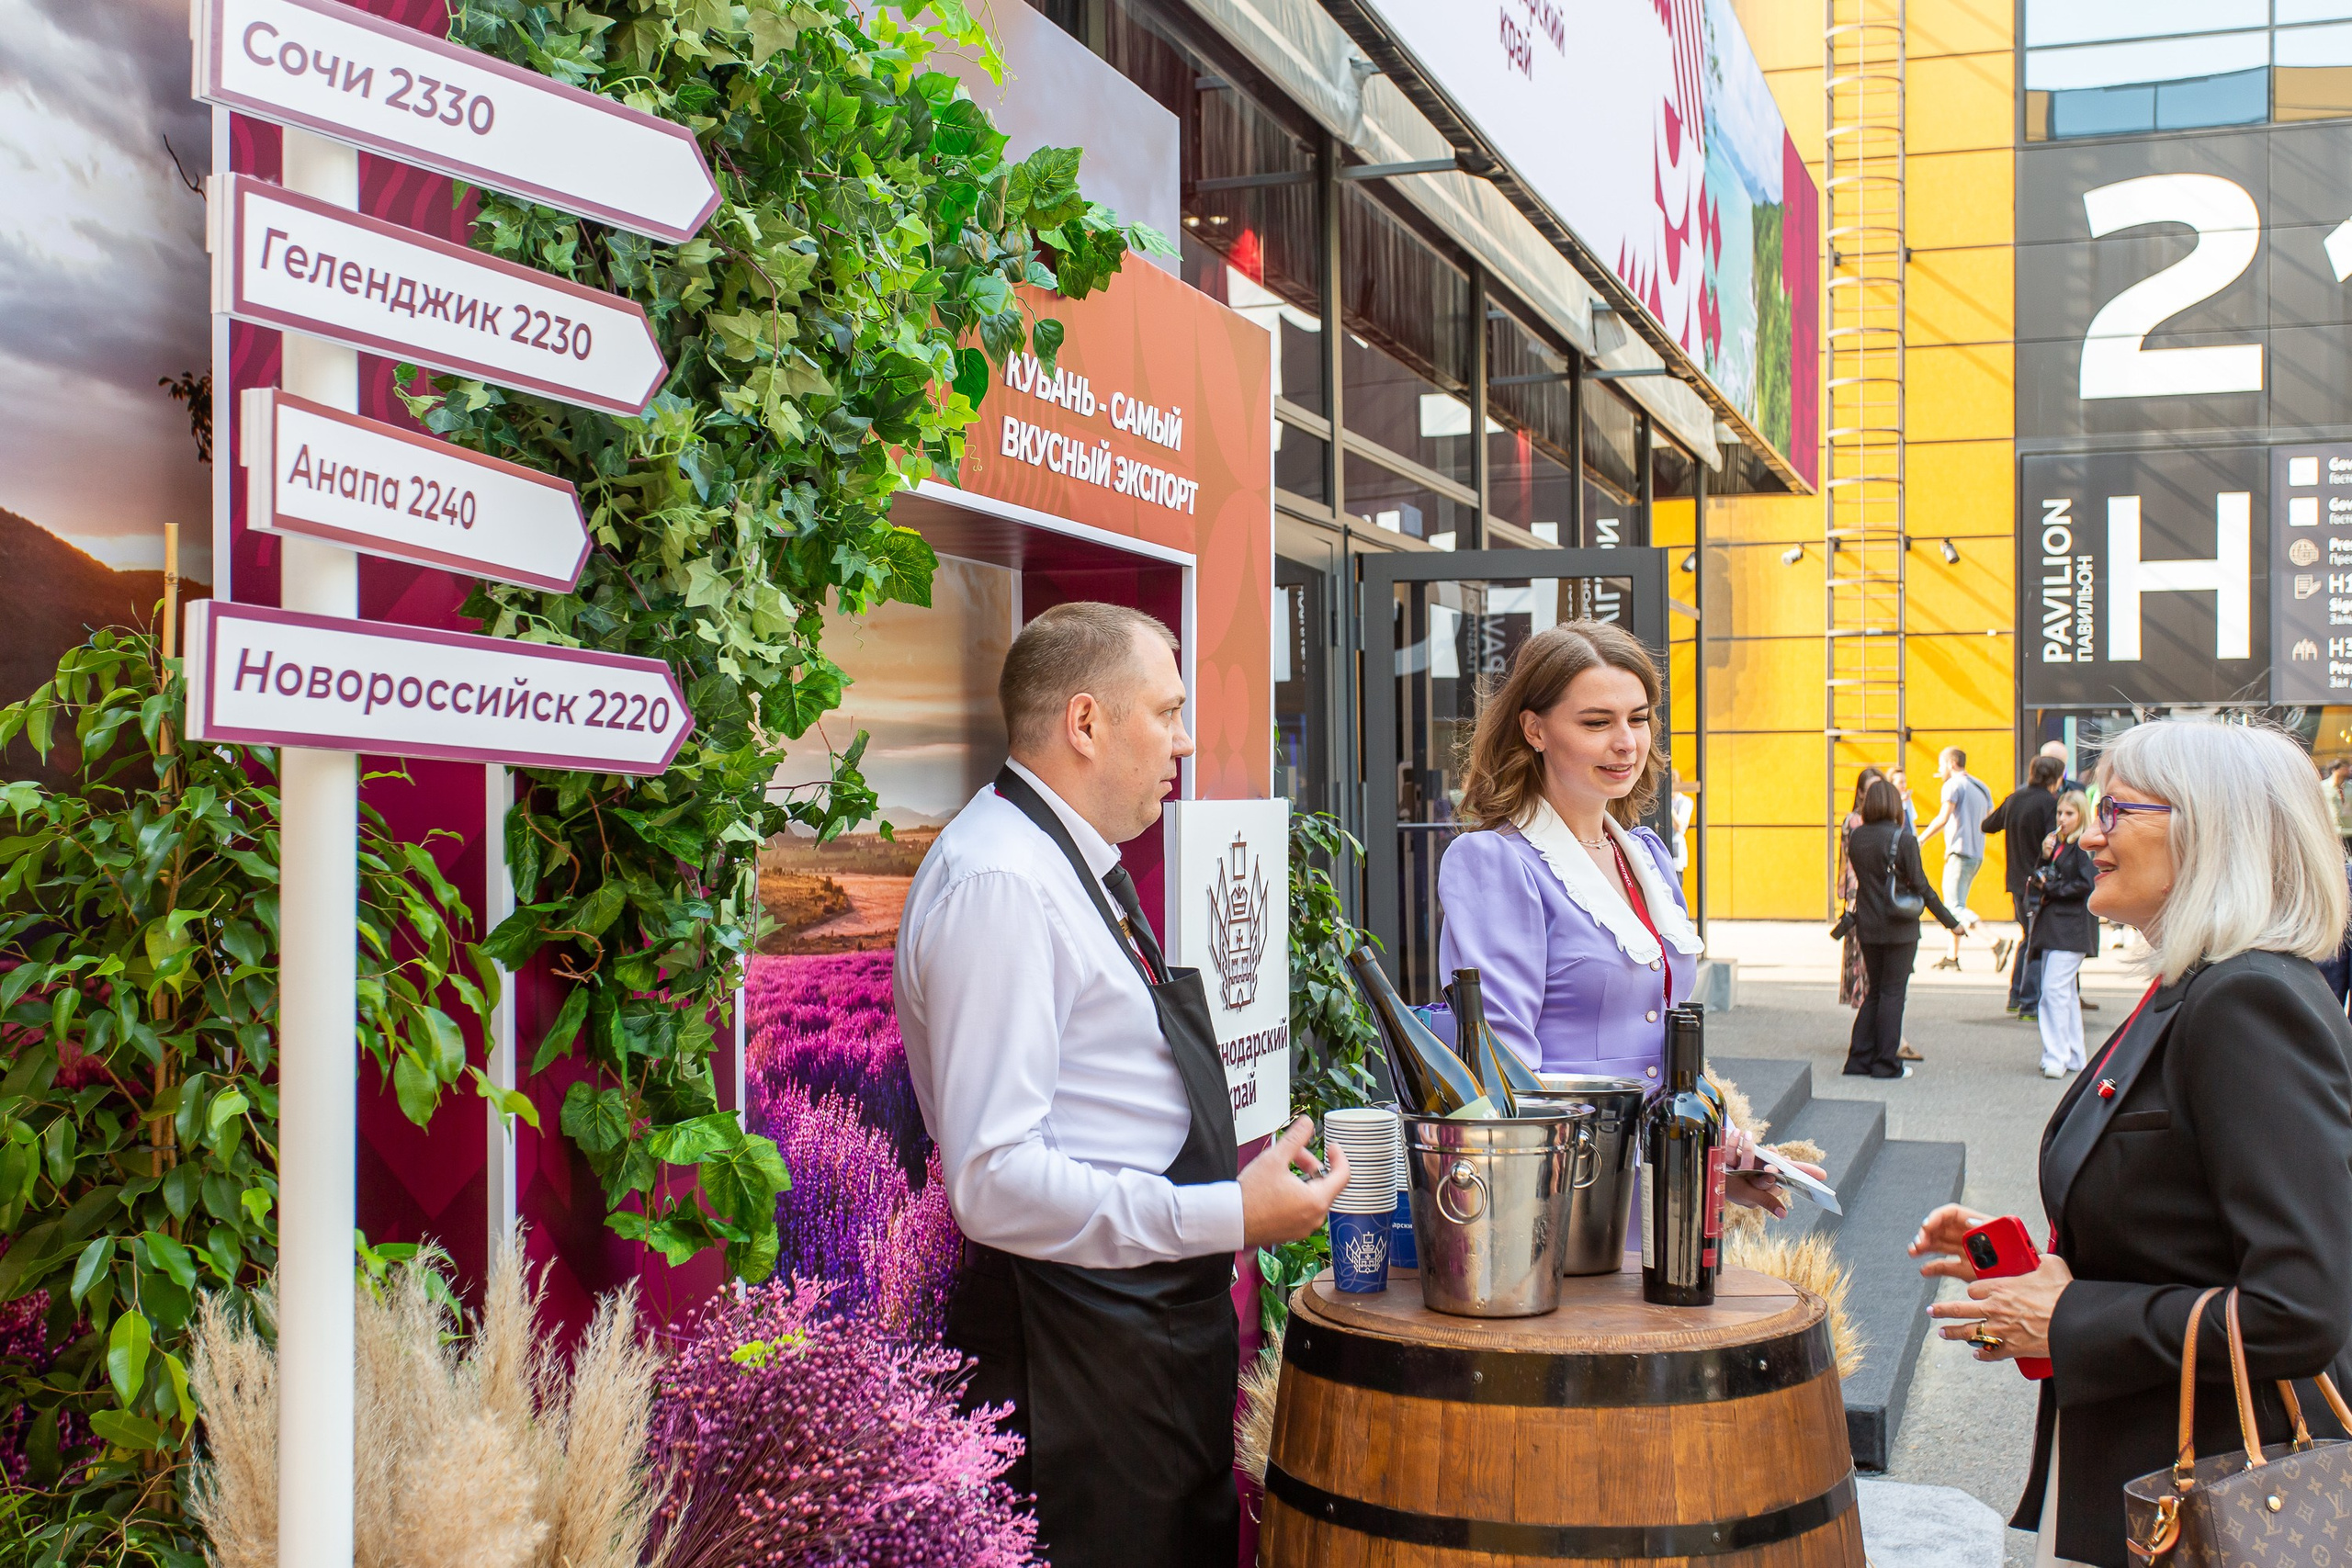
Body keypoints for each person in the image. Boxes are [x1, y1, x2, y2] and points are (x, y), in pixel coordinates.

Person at [894, 601, 1350, 1567]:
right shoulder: (1002, 884)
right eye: (1167, 712)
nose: (1185, 740)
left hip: (1137, 1342)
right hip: (1077, 1361)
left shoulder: (1066, 864)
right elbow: (994, 1181)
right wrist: (1228, 1213)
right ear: (1087, 723)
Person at [1911, 718, 2352, 1568]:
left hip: (2223, 1495)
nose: (2087, 829)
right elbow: (2186, 1220)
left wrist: (2072, 1313)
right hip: (2157, 1471)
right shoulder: (2191, 987)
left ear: (2209, 828)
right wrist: (2030, 1270)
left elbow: (2301, 1308)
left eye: (2115, 808)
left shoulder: (2246, 1001)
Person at [1434, 621, 1822, 1210]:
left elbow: (1660, 1048)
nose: (1626, 743)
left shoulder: (1646, 856)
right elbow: (1501, 1072)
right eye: (1597, 722)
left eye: (1638, 719)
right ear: (1534, 729)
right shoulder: (1494, 861)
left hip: (1659, 1193)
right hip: (1561, 1201)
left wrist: (1714, 1161)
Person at [1841, 777, 1962, 1079]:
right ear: (1896, 805)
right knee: (1894, 993)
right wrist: (1951, 923)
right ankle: (1886, 1064)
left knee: (1874, 993)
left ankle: (1858, 1060)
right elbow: (1922, 887)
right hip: (1899, 928)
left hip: (1867, 926)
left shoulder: (1857, 838)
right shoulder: (1903, 839)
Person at [1984, 755, 2065, 1019]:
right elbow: (2054, 843)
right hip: (2038, 882)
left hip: (2016, 881)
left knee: (2028, 937)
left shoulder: (2015, 798)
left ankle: (2016, 996)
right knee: (2036, 941)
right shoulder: (2050, 804)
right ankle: (2028, 1003)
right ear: (2055, 778)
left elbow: (1988, 825)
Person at [2028, 790, 2097, 1080]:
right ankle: (2074, 1054)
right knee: (2063, 993)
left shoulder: (2082, 846)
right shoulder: (2059, 844)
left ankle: (2056, 1056)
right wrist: (2044, 858)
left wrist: (2052, 889)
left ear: (2081, 815)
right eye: (2060, 813)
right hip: (2057, 926)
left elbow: (2086, 883)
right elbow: (2041, 878)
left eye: (2069, 814)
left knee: (2054, 991)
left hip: (2070, 927)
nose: (2062, 819)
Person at [1917, 747, 1990, 969]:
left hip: (1959, 852)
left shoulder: (1953, 785)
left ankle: (1995, 941)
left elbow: (1943, 817)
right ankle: (1953, 955)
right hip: (1977, 853)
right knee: (1957, 902)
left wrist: (1920, 840)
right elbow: (1988, 818)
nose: (1939, 770)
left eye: (1941, 765)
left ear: (1951, 763)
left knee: (1953, 907)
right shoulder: (1981, 787)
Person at [1838, 766, 1886, 1009]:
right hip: (1860, 895)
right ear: (1859, 793)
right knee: (1863, 958)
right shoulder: (1854, 821)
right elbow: (1848, 864)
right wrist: (1848, 896)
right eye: (1870, 789)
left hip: (1878, 895)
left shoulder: (1886, 820)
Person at [2326, 757, 2352, 854]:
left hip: (2350, 831)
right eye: (2344, 767)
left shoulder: (2350, 788)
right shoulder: (2323, 787)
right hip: (2333, 832)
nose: (2347, 769)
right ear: (2335, 769)